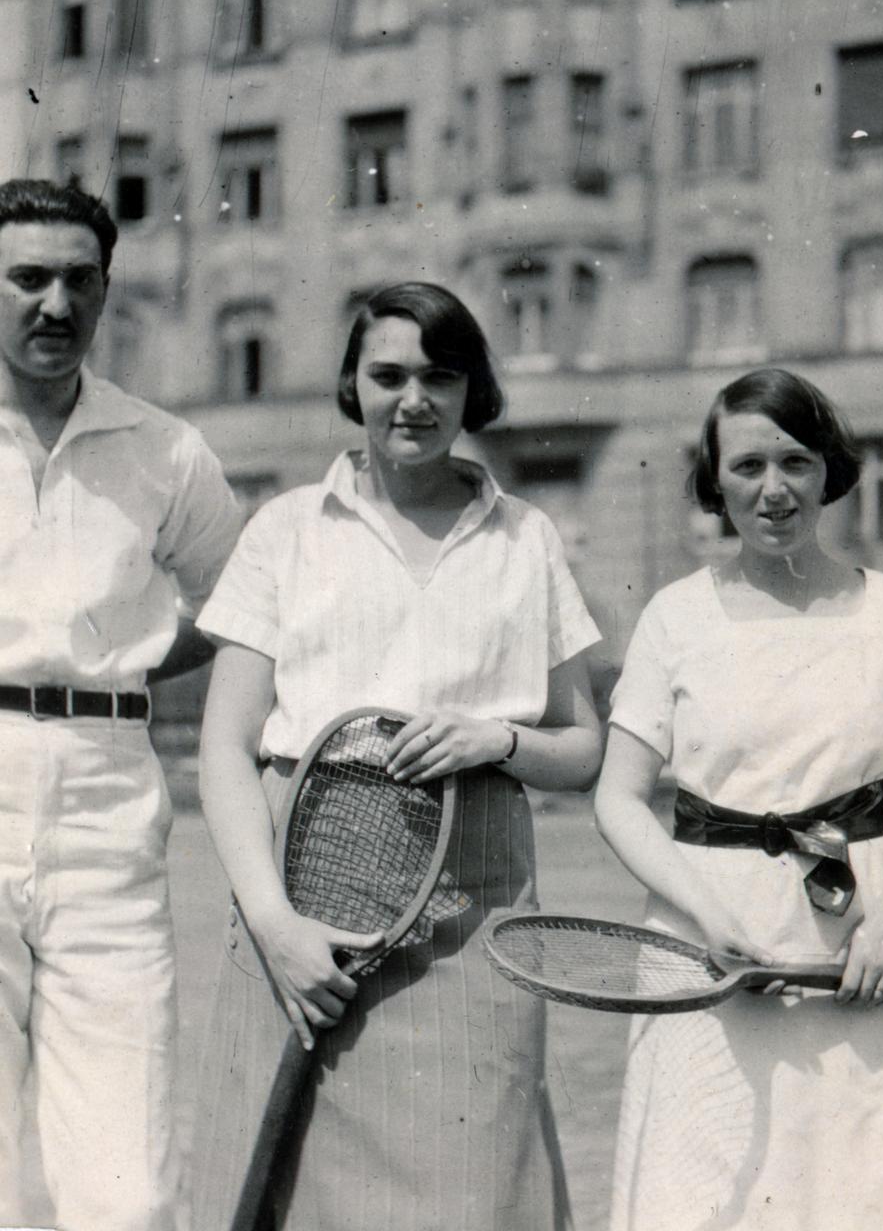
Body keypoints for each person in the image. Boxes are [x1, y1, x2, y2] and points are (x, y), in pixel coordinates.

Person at [192, 280, 602, 1231]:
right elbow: (225, 742)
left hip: (477, 905)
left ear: (473, 393)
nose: (413, 399)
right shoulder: (286, 529)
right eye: (388, 375)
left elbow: (582, 748)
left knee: (475, 1187)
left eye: (439, 376)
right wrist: (274, 924)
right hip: (301, 898)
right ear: (352, 385)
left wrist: (498, 739)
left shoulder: (526, 538)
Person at [594, 367, 883, 1231]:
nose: (773, 491)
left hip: (868, 943)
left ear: (829, 471)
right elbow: (621, 799)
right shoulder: (675, 617)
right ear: (714, 483)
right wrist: (707, 923)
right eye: (746, 468)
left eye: (794, 463)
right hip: (710, 949)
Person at [0, 177, 241, 1231]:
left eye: (79, 281)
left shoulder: (165, 448)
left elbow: (242, 606)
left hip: (106, 801)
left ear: (104, 293)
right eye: (27, 277)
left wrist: (131, 658)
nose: (55, 304)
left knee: (129, 1186)